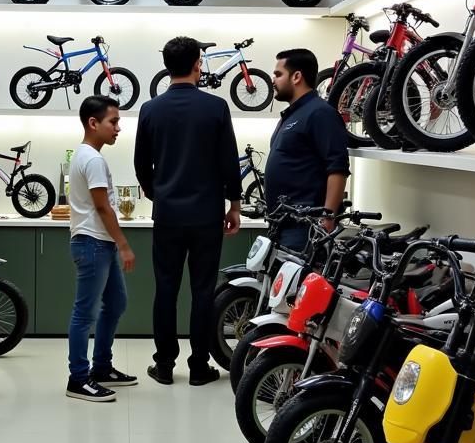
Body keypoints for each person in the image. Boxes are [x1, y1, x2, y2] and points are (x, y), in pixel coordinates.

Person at [134, 36, 241, 386]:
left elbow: (141, 164)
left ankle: (164, 365)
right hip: (207, 214)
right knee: (203, 291)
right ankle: (199, 366)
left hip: (167, 215)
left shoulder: (150, 109)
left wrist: (157, 194)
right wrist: (234, 203)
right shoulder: (216, 107)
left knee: (165, 290)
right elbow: (229, 160)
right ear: (197, 64)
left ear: (166, 66)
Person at [66, 95, 138, 402]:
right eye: (113, 121)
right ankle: (78, 378)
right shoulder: (92, 159)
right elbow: (103, 206)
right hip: (93, 243)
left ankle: (102, 367)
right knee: (85, 313)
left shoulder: (88, 155)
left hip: (98, 243)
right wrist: (124, 246)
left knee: (117, 303)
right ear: (93, 123)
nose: (118, 128)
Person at [264, 48, 350, 251]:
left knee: (301, 282)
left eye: (278, 74)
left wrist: (328, 218)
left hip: (305, 227)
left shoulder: (320, 113)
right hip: (283, 223)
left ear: (296, 77)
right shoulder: (293, 114)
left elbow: (337, 169)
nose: (273, 80)